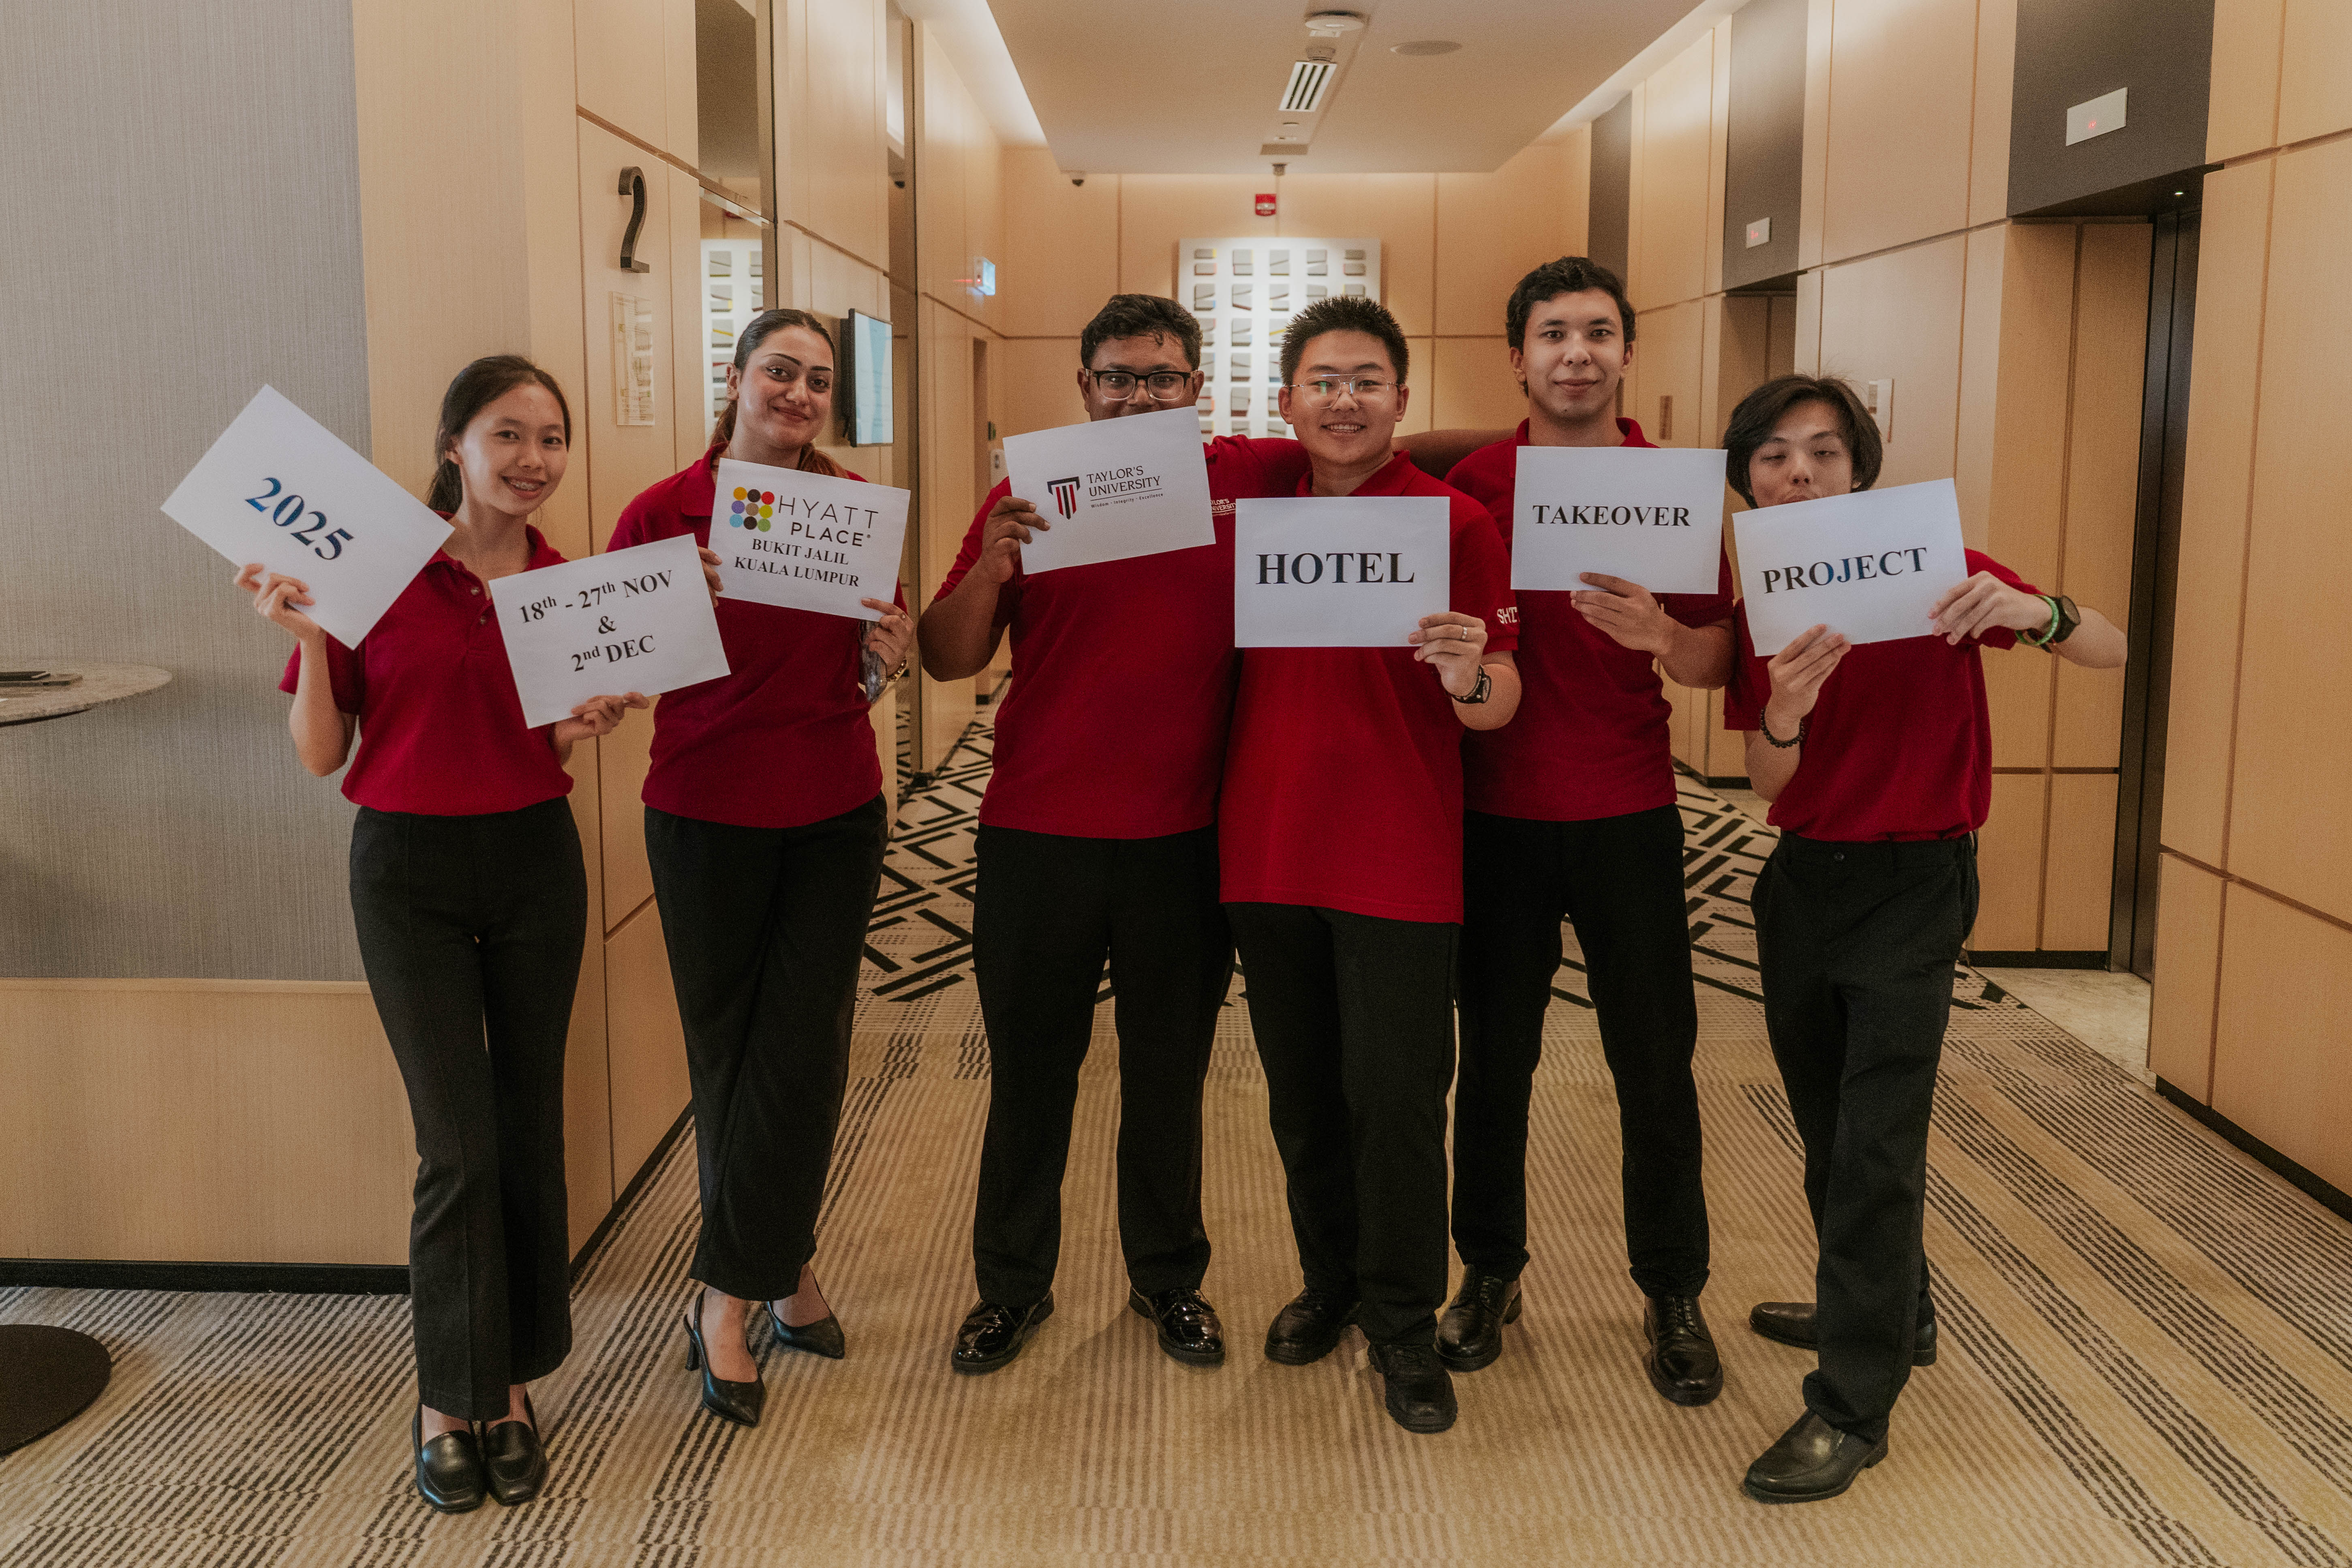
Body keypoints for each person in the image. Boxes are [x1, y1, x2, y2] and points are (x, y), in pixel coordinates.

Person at [238, 355, 648, 1512]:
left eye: (551, 438)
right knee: (456, 1145)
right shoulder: (370, 566)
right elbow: (324, 758)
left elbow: (542, 744)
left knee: (526, 1129)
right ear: (453, 445)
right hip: (406, 872)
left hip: (532, 863)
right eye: (508, 433)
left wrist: (579, 726)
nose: (533, 459)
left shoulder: (568, 586)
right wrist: (309, 638)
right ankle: (445, 1400)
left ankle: (508, 1386)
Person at [1720, 374, 2125, 1502]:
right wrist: (1786, 713)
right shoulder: (1763, 597)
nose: (1800, 473)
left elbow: (2111, 647)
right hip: (1803, 881)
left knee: (1876, 1145)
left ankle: (1852, 1404)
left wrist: (2035, 614)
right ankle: (1897, 1308)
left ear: (1859, 467)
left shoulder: (1942, 567)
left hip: (1915, 883)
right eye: (1773, 455)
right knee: (1824, 1122)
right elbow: (1766, 778)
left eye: (1823, 451)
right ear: (1747, 478)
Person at [920, 294, 1308, 1375]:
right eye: (1118, 379)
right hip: (1035, 832)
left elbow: (1380, 448)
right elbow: (948, 658)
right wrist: (990, 568)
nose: (1139, 397)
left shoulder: (1249, 477)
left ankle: (1167, 1278)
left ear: (1197, 391)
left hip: (1183, 839)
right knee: (1029, 1075)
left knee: (1167, 1077)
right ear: (1084, 389)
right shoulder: (1026, 494)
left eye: (1161, 378)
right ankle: (1010, 1286)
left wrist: (1548, 453)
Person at [1425, 258, 1733, 1404]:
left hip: (1629, 812)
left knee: (1654, 1064)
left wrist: (1665, 635)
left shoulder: (1674, 489)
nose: (1576, 354)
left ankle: (1672, 1288)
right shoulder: (1474, 483)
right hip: (1493, 814)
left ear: (1626, 354)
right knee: (1493, 1062)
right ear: (1518, 357)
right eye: (1553, 334)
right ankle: (1489, 1270)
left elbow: (1714, 660)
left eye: (1597, 333)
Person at [608, 308, 914, 1427]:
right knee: (729, 1055)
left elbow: (863, 670)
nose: (799, 393)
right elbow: (610, 667)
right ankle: (764, 1279)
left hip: (835, 809)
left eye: (818, 380)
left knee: (807, 1052)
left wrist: (888, 659)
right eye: (779, 371)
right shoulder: (662, 513)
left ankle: (738, 1287)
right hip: (704, 812)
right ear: (735, 379)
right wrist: (668, 601)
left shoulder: (853, 512)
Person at [1220, 295, 1520, 1435]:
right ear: (1286, 401)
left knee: (1396, 1101)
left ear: (1400, 399)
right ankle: (1331, 1281)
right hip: (1266, 847)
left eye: (1365, 382)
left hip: (1398, 852)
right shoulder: (1252, 518)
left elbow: (1500, 702)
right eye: (1322, 381)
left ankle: (1402, 1319)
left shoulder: (1454, 524)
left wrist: (1466, 671)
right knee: (1302, 1097)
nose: (1343, 401)